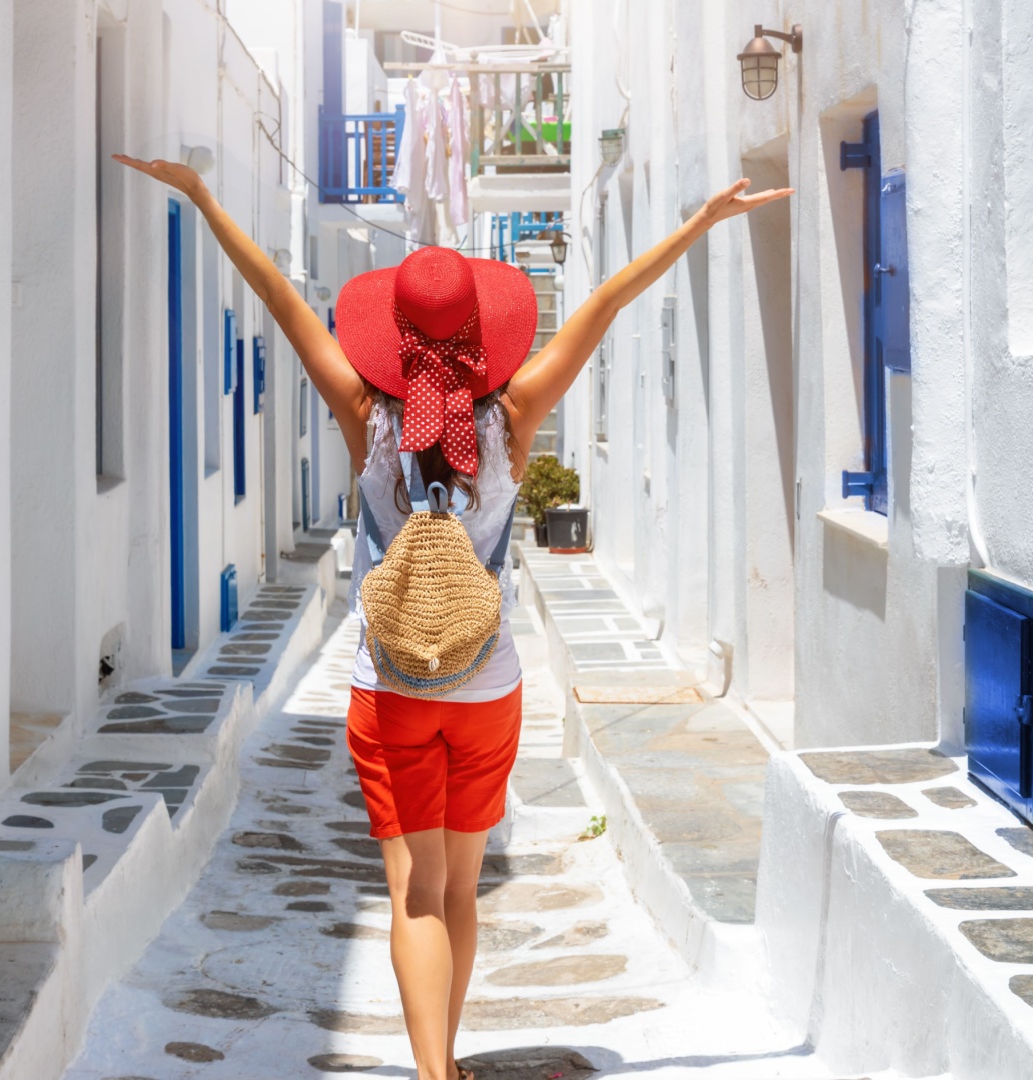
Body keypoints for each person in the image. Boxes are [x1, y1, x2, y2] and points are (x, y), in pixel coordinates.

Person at [114, 152, 788, 1080]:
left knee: (414, 893)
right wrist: (697, 224)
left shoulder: (363, 413)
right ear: (481, 339)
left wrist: (201, 196)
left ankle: (432, 1071)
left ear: (392, 340)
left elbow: (277, 298)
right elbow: (603, 308)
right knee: (463, 888)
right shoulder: (512, 418)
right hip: (489, 689)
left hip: (388, 689)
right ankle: (448, 1064)